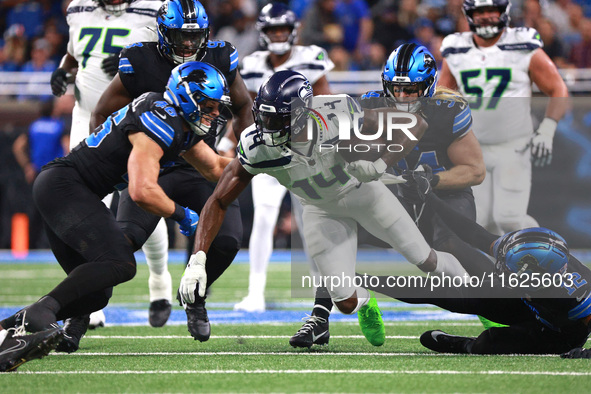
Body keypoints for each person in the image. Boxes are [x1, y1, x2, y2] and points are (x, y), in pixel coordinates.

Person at [180, 70, 472, 350]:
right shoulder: (258, 147)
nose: (267, 128)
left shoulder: (337, 113)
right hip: (320, 210)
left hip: (365, 195)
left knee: (425, 260)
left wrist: (381, 163)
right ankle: (366, 302)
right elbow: (219, 200)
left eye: (277, 120)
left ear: (301, 115)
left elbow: (414, 124)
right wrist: (198, 259)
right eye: (264, 117)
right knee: (344, 301)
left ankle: (482, 300)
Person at [0, 61, 232, 371]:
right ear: (187, 98)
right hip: (65, 188)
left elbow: (216, 167)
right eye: (208, 105)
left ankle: (10, 330)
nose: (215, 113)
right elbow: (141, 191)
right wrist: (182, 215)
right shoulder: (161, 119)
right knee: (121, 263)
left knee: (95, 295)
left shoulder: (175, 120)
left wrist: (262, 162)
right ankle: (41, 313)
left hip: (63, 190)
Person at [289, 43, 486, 348]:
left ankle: (491, 309)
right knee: (334, 237)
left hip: (442, 198)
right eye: (396, 89)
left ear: (429, 86)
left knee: (451, 245)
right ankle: (320, 317)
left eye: (412, 90)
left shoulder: (448, 111)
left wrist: (430, 180)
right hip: (392, 194)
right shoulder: (369, 107)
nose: (403, 97)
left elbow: (474, 171)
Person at [90, 0, 252, 343]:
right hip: (155, 165)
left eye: (194, 37)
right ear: (163, 33)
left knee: (227, 241)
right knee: (120, 246)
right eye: (181, 36)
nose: (189, 45)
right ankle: (78, 314)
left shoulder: (221, 57)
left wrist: (240, 148)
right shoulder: (139, 60)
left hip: (203, 165)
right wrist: (119, 161)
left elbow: (243, 107)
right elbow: (102, 113)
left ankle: (196, 300)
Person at [363, 170, 591, 355]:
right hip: (527, 302)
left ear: (539, 277)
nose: (502, 269)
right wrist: (430, 197)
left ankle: (463, 344)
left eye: (512, 269)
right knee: (447, 292)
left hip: (555, 332)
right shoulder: (529, 258)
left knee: (489, 343)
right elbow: (473, 234)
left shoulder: (577, 296)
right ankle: (360, 280)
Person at [50, 0, 168, 329]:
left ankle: (160, 280)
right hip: (85, 118)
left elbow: (174, 55)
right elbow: (74, 56)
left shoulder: (153, 8)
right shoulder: (78, 9)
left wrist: (139, 61)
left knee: (140, 199)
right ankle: (91, 302)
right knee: (85, 211)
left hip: (134, 118)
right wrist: (64, 71)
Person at [234, 2, 334, 313]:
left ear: (293, 32)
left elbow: (327, 104)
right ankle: (255, 292)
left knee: (311, 222)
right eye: (273, 29)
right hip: (269, 148)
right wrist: (235, 142)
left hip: (307, 151)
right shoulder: (251, 64)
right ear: (263, 33)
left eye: (282, 29)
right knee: (263, 218)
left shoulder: (311, 57)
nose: (278, 35)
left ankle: (325, 294)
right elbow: (245, 111)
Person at [438, 0, 569, 235]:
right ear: (469, 15)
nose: (487, 16)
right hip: (473, 148)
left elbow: (558, 88)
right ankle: (501, 270)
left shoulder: (521, 44)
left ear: (504, 13)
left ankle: (547, 254)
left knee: (509, 218)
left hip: (513, 145)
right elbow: (442, 98)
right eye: (480, 11)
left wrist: (547, 129)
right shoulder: (456, 49)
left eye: (492, 10)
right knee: (480, 221)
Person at [12, 98, 70, 249]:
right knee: (58, 210)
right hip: (53, 172)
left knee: (35, 210)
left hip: (37, 172)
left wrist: (27, 166)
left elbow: (18, 147)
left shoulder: (34, 126)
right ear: (54, 109)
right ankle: (57, 245)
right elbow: (67, 148)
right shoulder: (59, 125)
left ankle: (31, 246)